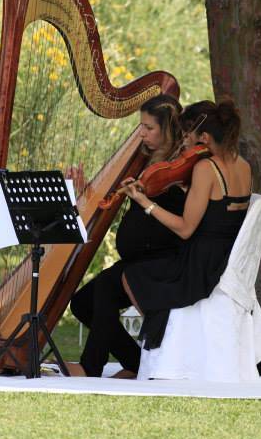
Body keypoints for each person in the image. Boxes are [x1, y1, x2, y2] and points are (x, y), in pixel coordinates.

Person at [66, 94, 187, 377]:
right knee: (82, 303)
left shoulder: (180, 169)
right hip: (139, 259)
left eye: (148, 127)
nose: (141, 133)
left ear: (168, 129)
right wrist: (86, 189)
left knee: (107, 288)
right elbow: (108, 201)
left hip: (162, 261)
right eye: (140, 126)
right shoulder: (145, 159)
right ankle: (135, 363)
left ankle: (90, 367)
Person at [121, 98, 251, 351]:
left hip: (200, 266)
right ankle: (165, 333)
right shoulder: (242, 165)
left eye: (188, 134)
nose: (185, 140)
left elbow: (185, 229)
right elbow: (218, 211)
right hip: (225, 258)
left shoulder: (206, 167)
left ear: (203, 137)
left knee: (132, 275)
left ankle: (166, 340)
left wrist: (144, 201)